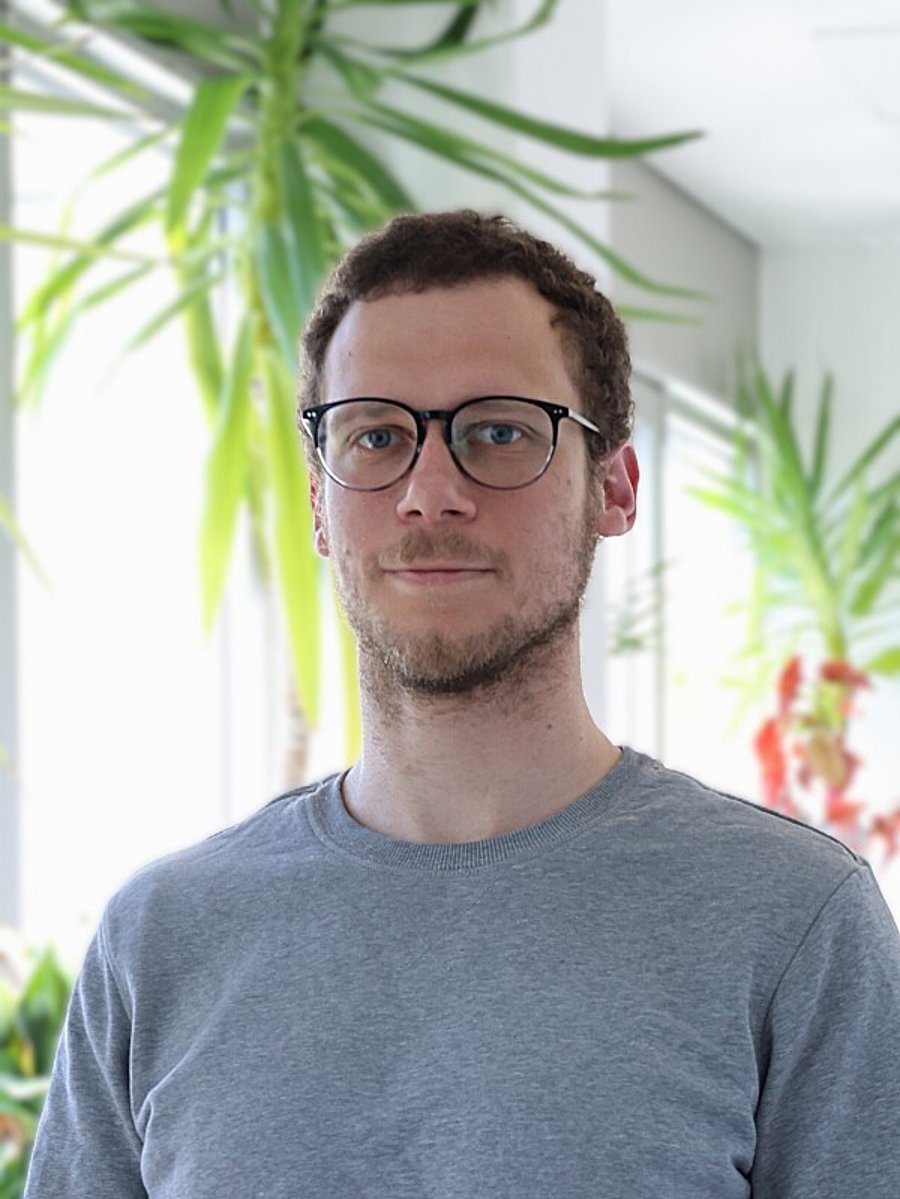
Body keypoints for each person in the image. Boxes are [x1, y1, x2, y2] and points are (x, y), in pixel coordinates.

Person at [26, 210, 900, 1198]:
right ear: (318, 501)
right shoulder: (158, 941)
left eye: (499, 431)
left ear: (614, 488)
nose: (430, 491)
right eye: (376, 435)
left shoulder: (794, 923)